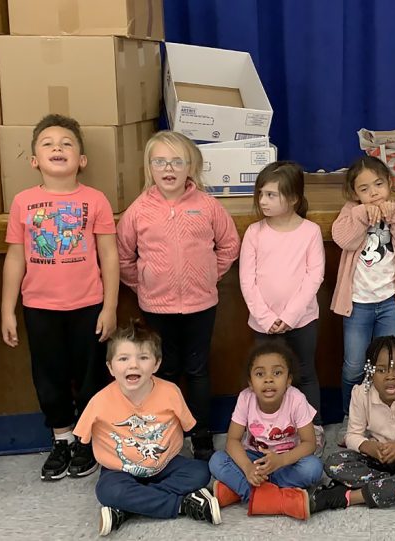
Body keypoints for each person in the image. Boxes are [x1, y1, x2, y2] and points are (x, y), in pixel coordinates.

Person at [1, 114, 118, 481]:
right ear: (35, 159)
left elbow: (109, 255)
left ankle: (86, 438)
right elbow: (16, 257)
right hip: (40, 307)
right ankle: (62, 438)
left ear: (81, 159)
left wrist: (111, 306)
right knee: (48, 376)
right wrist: (8, 309)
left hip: (89, 306)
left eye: (67, 143)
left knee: (89, 376)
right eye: (48, 143)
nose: (57, 148)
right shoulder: (23, 202)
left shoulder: (94, 200)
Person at [116, 130, 240, 462]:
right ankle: (168, 433)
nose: (168, 168)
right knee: (165, 371)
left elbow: (229, 245)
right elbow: (123, 255)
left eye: (176, 161)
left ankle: (201, 436)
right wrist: (141, 283)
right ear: (150, 167)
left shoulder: (208, 205)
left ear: (190, 167)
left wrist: (209, 275)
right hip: (157, 306)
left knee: (198, 370)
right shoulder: (139, 211)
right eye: (160, 161)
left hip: (201, 305)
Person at [74, 321, 220, 535]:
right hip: (119, 471)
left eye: (143, 358)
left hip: (165, 465)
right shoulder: (99, 401)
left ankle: (127, 508)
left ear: (157, 364)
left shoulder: (171, 392)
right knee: (107, 491)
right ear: (110, 367)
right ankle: (182, 505)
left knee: (201, 472)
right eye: (123, 359)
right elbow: (82, 439)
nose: (133, 365)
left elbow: (190, 425)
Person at [331, 156, 395, 444]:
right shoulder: (350, 211)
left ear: (390, 184)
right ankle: (350, 416)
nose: (373, 193)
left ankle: (381, 419)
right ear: (355, 193)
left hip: (390, 302)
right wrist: (360, 215)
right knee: (354, 365)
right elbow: (344, 240)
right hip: (357, 303)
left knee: (385, 364)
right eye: (365, 188)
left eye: (379, 185)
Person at [240, 161, 325, 453]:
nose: (263, 201)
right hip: (263, 324)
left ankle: (313, 432)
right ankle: (265, 431)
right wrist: (266, 318)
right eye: (261, 194)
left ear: (293, 199)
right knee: (266, 374)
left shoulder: (310, 231)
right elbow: (247, 281)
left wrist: (289, 316)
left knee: (304, 372)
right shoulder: (254, 232)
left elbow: (315, 275)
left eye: (272, 195)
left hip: (302, 320)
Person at [311, 336, 395, 514]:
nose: (390, 376)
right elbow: (352, 436)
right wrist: (368, 447)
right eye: (381, 370)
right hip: (375, 458)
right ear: (370, 372)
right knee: (333, 463)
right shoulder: (360, 394)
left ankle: (348, 497)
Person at [208, 342, 324, 520]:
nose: (268, 379)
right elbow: (232, 440)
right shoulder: (245, 398)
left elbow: (310, 443)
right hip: (254, 459)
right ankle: (277, 499)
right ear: (250, 383)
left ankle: (240, 492)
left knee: (313, 468)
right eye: (260, 374)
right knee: (216, 460)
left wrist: (280, 461)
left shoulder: (296, 399)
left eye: (277, 373)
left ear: (289, 380)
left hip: (285, 461)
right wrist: (247, 468)